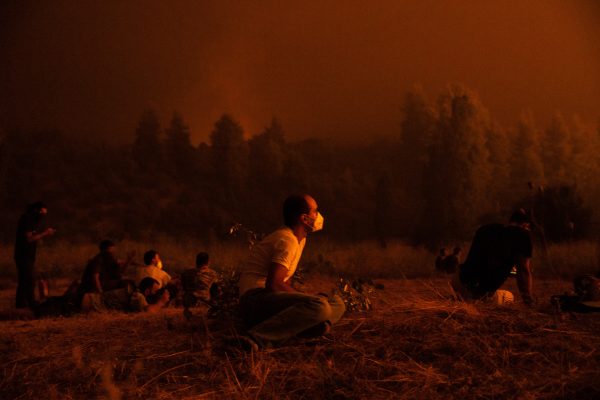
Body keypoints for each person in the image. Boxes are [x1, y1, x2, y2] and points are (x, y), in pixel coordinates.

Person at [237, 194, 346, 349]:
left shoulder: (300, 239)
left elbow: (284, 280)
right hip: (254, 301)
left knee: (337, 302)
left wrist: (302, 299)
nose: (318, 215)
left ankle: (313, 325)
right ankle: (255, 339)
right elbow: (274, 284)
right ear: (304, 219)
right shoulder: (287, 240)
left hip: (268, 300)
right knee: (320, 306)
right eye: (315, 211)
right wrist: (309, 299)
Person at [452, 209, 534, 305]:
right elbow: (523, 270)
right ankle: (475, 299)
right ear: (525, 225)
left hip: (457, 282)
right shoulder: (523, 235)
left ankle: (461, 296)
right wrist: (527, 298)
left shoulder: (486, 229)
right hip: (476, 293)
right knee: (509, 296)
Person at [14, 202, 57, 308]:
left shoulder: (32, 221)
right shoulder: (27, 219)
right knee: (29, 280)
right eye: (42, 213)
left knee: (24, 281)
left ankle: (21, 305)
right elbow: (29, 239)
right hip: (23, 255)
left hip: (28, 255)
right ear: (36, 211)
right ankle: (31, 304)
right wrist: (45, 233)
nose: (43, 216)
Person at [80, 277, 170, 313]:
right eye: (156, 291)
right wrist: (161, 302)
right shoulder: (138, 296)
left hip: (85, 300)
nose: (157, 294)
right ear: (147, 291)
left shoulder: (135, 292)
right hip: (84, 302)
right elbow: (147, 311)